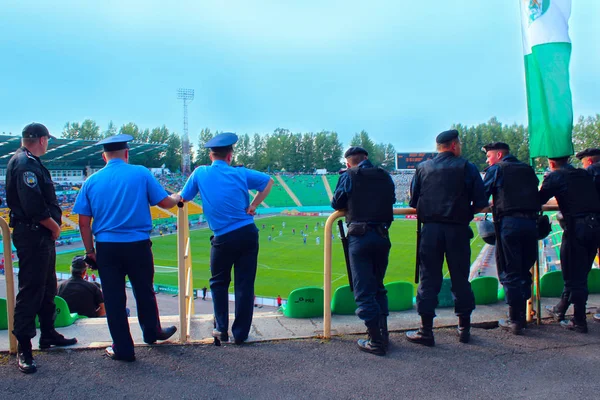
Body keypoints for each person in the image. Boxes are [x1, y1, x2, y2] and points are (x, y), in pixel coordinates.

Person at [73, 134, 180, 362]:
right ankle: (152, 332)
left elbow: (84, 222)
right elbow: (164, 203)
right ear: (127, 153)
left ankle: (123, 348)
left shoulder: (91, 181)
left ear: (104, 157)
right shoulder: (140, 173)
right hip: (138, 246)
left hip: (107, 248)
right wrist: (178, 196)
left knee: (113, 298)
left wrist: (90, 252)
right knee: (145, 291)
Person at [180, 132, 273, 345]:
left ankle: (221, 328)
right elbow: (269, 181)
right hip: (247, 233)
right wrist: (254, 205)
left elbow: (183, 197)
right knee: (245, 284)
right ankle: (240, 334)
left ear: (211, 156)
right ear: (230, 156)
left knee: (219, 283)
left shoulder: (200, 173)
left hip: (223, 237)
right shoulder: (240, 173)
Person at [6, 122, 77, 374]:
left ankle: (48, 334)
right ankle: (24, 348)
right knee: (32, 290)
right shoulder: (25, 164)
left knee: (47, 286)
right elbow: (34, 206)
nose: (48, 143)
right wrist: (55, 227)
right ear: (42, 139)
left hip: (40, 235)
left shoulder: (29, 161)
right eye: (48, 139)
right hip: (34, 234)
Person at [407, 129, 487, 346]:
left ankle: (426, 330)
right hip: (458, 230)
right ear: (454, 145)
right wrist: (465, 213)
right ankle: (464, 328)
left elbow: (413, 203)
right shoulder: (467, 167)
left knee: (428, 280)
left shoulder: (422, 168)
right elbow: (480, 201)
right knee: (461, 279)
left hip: (431, 231)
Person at [331, 146, 396, 355]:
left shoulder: (349, 175)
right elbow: (391, 200)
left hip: (360, 237)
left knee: (363, 292)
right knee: (378, 287)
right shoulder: (384, 175)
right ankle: (383, 335)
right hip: (382, 235)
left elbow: (336, 203)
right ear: (366, 158)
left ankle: (375, 341)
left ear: (348, 162)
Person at [481, 142, 540, 334]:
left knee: (511, 271)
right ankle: (522, 316)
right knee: (525, 270)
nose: (487, 160)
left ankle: (515, 321)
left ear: (498, 155)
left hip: (509, 225)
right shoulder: (527, 169)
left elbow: (482, 196)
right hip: (532, 224)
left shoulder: (497, 169)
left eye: (488, 156)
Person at [539, 156, 600, 333]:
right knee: (580, 273)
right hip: (595, 226)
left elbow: (538, 199)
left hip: (577, 228)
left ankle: (579, 320)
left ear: (551, 163)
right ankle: (561, 308)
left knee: (575, 275)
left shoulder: (556, 176)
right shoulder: (583, 174)